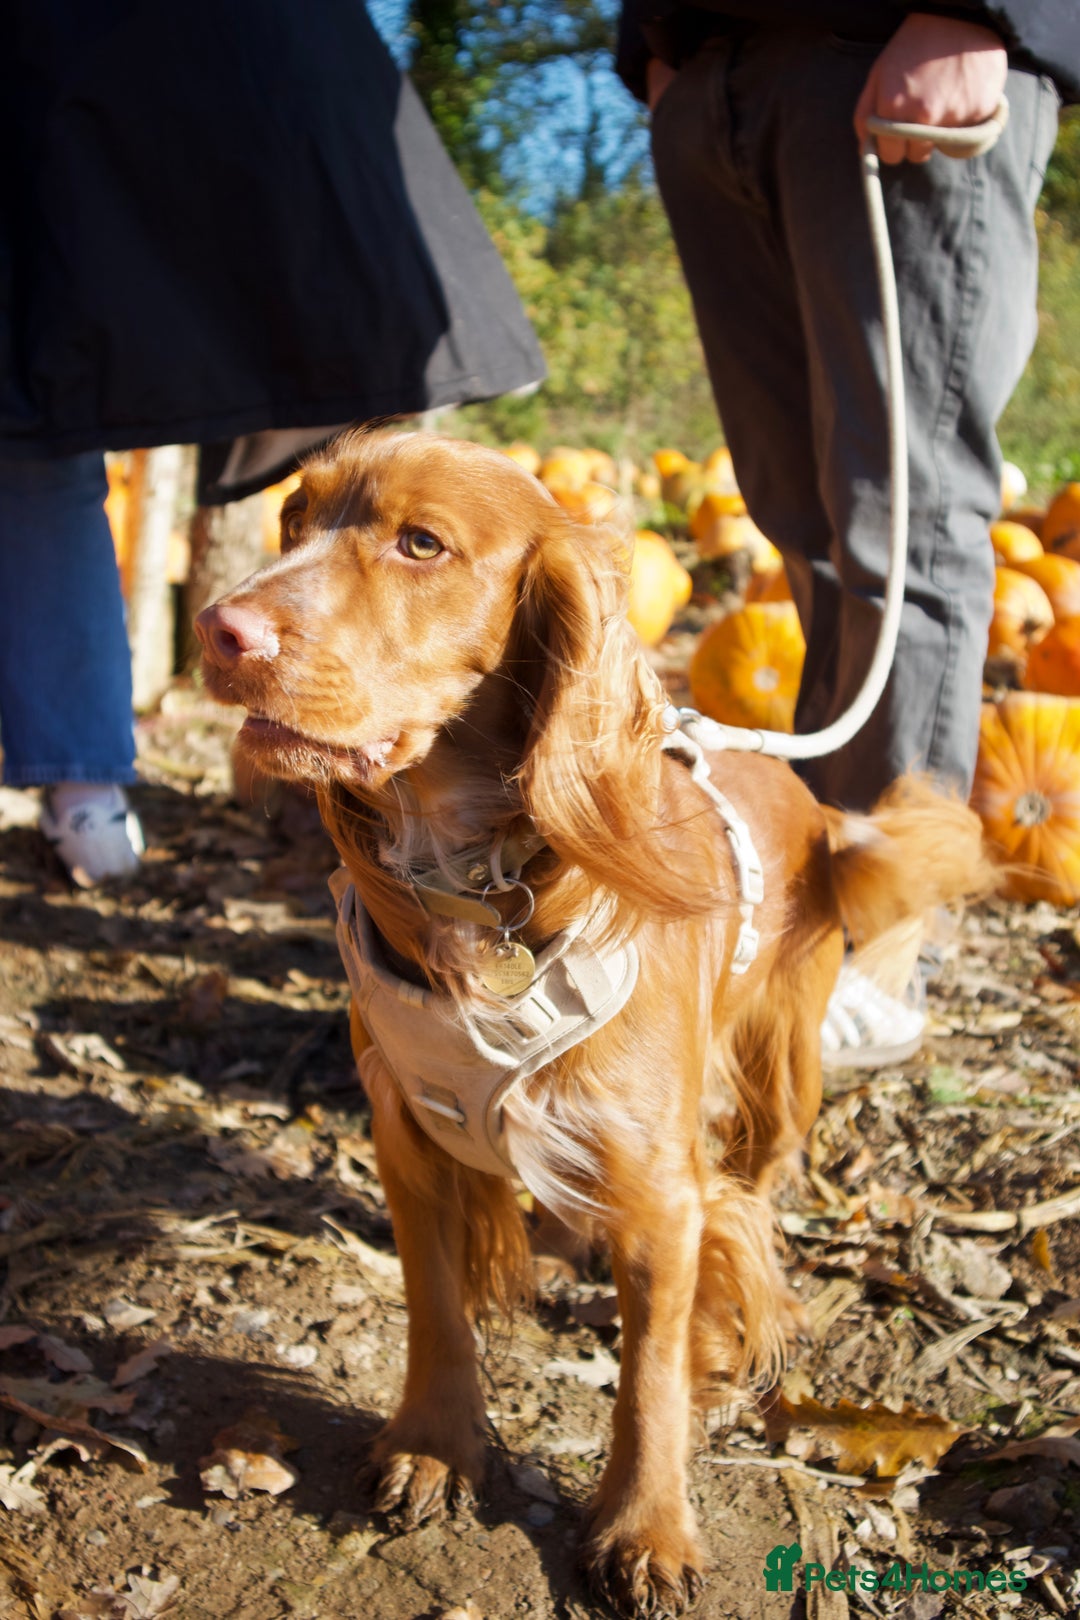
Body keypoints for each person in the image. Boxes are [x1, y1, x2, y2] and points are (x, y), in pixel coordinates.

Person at [616, 2, 1080, 1062]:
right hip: (708, 77)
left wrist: (985, 7)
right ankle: (811, 902)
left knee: (903, 519)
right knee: (802, 519)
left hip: (886, 44)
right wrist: (653, 48)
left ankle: (879, 946)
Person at [1, 0, 544, 885]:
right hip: (63, 69)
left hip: (231, 60)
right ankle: (99, 778)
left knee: (320, 342)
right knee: (30, 397)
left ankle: (359, 776)